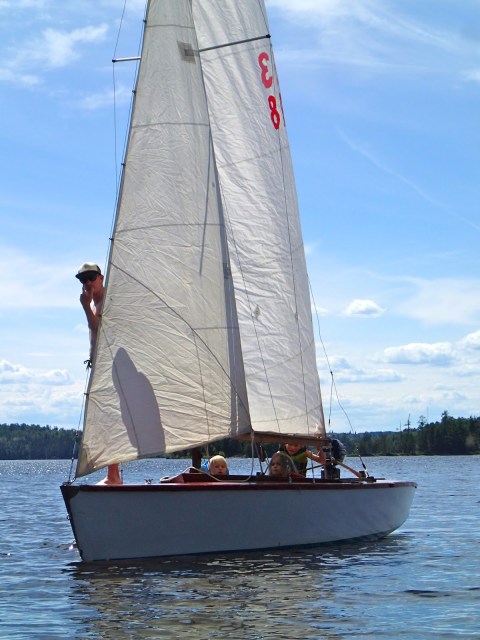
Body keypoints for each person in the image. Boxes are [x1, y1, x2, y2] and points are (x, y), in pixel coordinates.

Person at [76, 262, 122, 486]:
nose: (87, 282)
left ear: (101, 278)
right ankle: (113, 475)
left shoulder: (108, 301)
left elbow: (99, 331)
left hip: (111, 366)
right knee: (106, 418)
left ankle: (113, 476)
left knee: (108, 417)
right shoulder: (96, 304)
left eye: (91, 277)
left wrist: (85, 307)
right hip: (101, 365)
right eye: (82, 279)